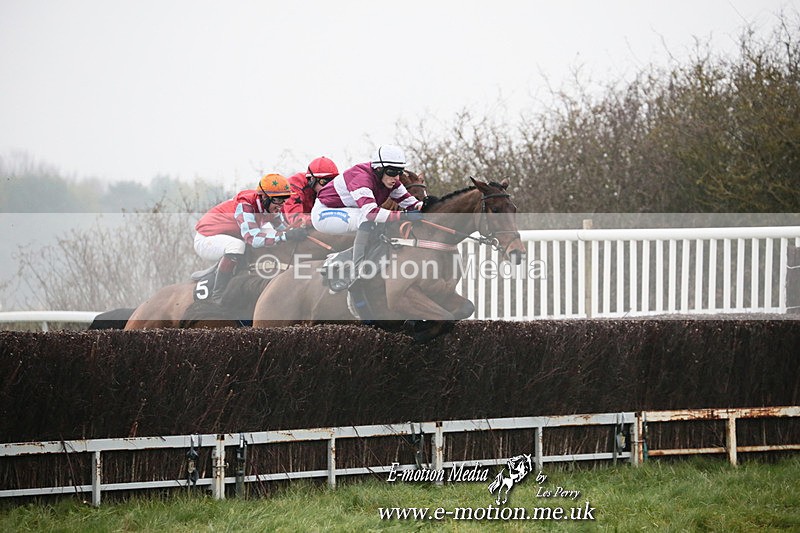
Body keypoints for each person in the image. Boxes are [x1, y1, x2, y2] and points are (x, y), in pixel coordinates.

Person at [311, 144, 423, 283]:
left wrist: (431, 206)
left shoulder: (390, 181)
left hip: (349, 210)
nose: (397, 178)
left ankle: (341, 258)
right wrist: (404, 215)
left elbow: (412, 203)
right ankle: (357, 273)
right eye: (392, 172)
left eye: (399, 172)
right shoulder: (361, 178)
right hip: (324, 213)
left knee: (379, 224)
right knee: (368, 219)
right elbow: (371, 213)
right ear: (379, 169)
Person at [194, 173, 308, 301]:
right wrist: (284, 236)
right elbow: (253, 238)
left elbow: (283, 229)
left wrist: (297, 233)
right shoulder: (245, 205)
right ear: (264, 197)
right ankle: (218, 295)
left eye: (284, 199)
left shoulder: (271, 208)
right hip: (207, 238)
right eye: (277, 200)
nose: (281, 205)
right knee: (237, 246)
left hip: (232, 235)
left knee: (269, 233)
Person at [283, 156, 339, 228]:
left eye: (332, 182)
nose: (329, 187)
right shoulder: (295, 185)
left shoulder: (331, 190)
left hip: (309, 224)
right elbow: (296, 220)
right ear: (312, 179)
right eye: (324, 182)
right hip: (282, 226)